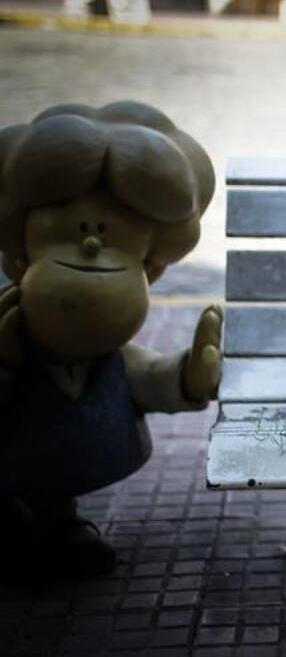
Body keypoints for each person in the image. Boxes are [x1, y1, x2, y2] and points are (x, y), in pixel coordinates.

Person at [0, 101, 221, 582]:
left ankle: (59, 522)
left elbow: (141, 375)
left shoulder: (106, 355)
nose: (92, 243)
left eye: (113, 234)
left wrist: (187, 376)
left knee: (49, 510)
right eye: (71, 228)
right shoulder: (11, 323)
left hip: (68, 459)